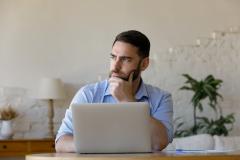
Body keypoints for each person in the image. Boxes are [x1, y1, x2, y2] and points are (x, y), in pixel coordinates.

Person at [55, 30, 173, 152]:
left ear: (144, 64)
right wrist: (99, 146)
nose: (115, 66)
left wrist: (127, 101)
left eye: (125, 59)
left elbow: (159, 143)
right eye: (113, 57)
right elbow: (61, 142)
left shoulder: (161, 98)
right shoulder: (88, 94)